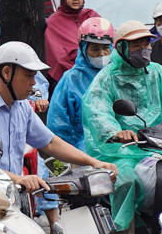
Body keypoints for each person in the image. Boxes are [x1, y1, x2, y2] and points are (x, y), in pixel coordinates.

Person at [0, 42, 119, 231]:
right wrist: (17, 178)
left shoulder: (21, 107)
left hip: (8, 202)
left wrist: (93, 162)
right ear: (6, 73)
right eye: (29, 75)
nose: (34, 82)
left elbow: (50, 142)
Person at [81, 20, 162, 234]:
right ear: (122, 47)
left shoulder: (159, 73)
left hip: (161, 146)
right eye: (136, 45)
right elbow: (97, 110)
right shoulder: (106, 79)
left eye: (146, 44)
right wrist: (115, 132)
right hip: (122, 152)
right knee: (126, 181)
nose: (143, 50)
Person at [48, 17, 116, 150]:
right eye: (95, 49)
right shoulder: (71, 79)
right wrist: (70, 153)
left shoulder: (119, 75)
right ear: (83, 49)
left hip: (121, 148)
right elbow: (58, 122)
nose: (101, 54)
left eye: (105, 48)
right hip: (84, 150)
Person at [45, 0, 101, 82]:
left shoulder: (91, 15)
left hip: (98, 71)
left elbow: (108, 43)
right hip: (70, 77)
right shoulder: (54, 22)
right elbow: (58, 58)